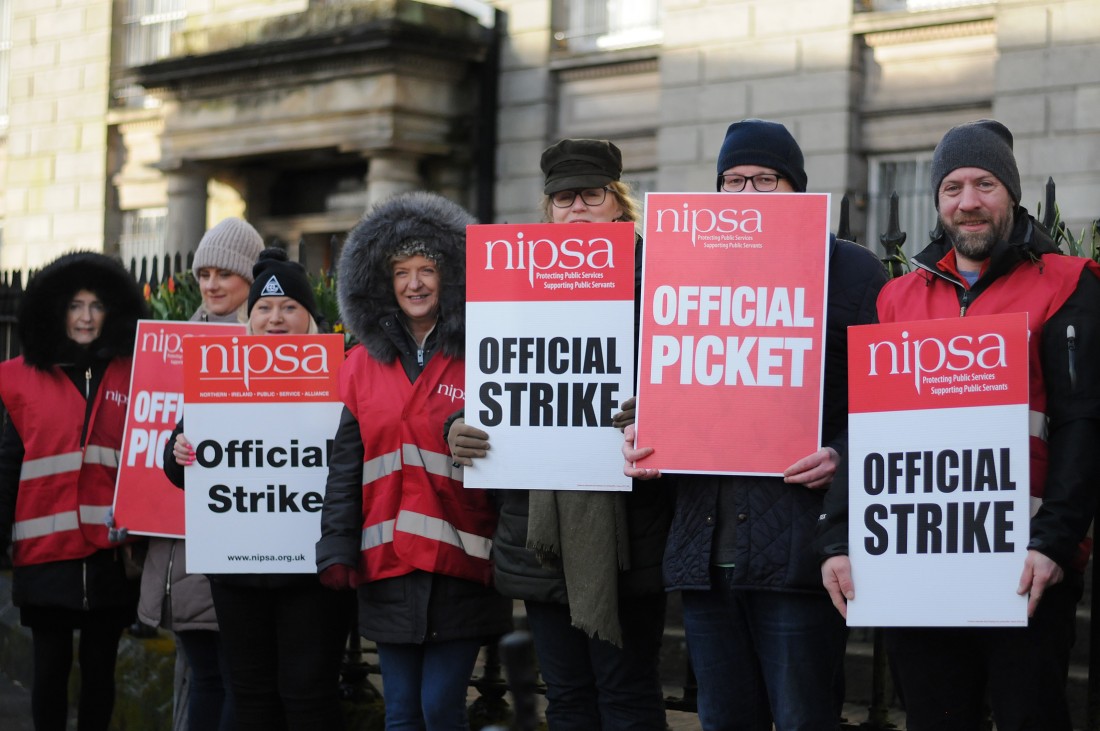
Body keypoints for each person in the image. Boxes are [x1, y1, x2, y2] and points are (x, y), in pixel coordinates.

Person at [817, 119, 1100, 730]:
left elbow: (1082, 424)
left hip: (1026, 564)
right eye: (952, 187)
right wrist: (840, 539)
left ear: (1012, 193)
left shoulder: (1068, 284)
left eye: (985, 183)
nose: (968, 202)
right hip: (918, 561)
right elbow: (867, 430)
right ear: (938, 200)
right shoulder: (896, 298)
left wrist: (1054, 541)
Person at [622, 119, 889, 731]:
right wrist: (645, 438)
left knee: (802, 717)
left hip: (800, 550)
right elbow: (655, 385)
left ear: (797, 188)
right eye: (733, 181)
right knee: (722, 717)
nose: (747, 195)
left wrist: (842, 457)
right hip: (705, 553)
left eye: (765, 179)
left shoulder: (851, 271)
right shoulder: (681, 269)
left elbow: (885, 408)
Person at [447, 139, 673, 731]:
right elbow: (483, 378)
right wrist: (459, 427)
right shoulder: (510, 283)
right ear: (547, 210)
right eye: (562, 198)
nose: (576, 209)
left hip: (630, 524)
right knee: (567, 696)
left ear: (618, 205)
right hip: (535, 527)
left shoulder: (663, 282)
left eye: (591, 195)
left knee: (627, 693)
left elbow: (695, 379)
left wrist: (658, 408)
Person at [316, 191, 513, 731]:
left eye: (428, 268)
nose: (415, 283)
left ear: (451, 277)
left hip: (463, 565)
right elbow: (345, 469)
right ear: (384, 281)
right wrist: (336, 546)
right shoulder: (357, 366)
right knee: (400, 714)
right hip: (386, 568)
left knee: (439, 711)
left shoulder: (488, 355)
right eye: (402, 271)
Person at [165, 247, 349, 731]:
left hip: (312, 573)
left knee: (309, 695)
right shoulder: (218, 373)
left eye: (289, 307)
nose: (275, 319)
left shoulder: (343, 372)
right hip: (238, 575)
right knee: (250, 697)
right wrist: (180, 451)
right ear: (250, 317)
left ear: (310, 315)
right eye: (264, 309)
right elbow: (180, 462)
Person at [0, 252, 149, 731]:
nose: (85, 317)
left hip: (110, 555)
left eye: (97, 306)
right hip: (45, 554)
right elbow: (8, 462)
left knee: (100, 676)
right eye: (75, 305)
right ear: (57, 310)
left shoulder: (135, 373)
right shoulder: (19, 379)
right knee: (49, 674)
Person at [139, 216, 263, 731]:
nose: (212, 284)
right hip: (180, 548)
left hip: (244, 543)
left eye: (225, 274)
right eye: (204, 273)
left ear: (252, 280)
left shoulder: (275, 347)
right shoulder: (168, 347)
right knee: (209, 680)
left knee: (236, 680)